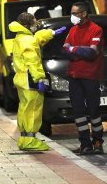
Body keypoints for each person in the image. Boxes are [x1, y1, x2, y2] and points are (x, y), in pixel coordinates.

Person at [10, 12, 67, 150]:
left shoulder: (21, 37)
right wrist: (39, 78)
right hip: (30, 79)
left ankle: (24, 138)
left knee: (24, 108)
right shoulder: (27, 40)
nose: (36, 25)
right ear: (28, 24)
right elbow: (32, 61)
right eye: (34, 23)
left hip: (22, 79)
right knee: (33, 109)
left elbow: (35, 39)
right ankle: (31, 140)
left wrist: (50, 33)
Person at [63, 2, 105, 155]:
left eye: (75, 13)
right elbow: (64, 50)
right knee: (78, 111)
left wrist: (74, 50)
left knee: (94, 110)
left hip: (90, 76)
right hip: (74, 76)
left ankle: (98, 142)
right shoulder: (73, 30)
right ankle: (85, 144)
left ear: (84, 13)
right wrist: (79, 51)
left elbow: (92, 53)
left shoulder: (96, 30)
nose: (72, 16)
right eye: (72, 13)